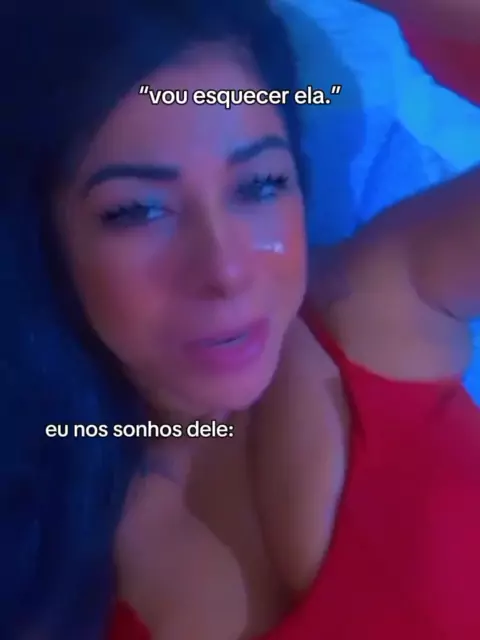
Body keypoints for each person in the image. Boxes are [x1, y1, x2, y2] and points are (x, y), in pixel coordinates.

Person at [1, 2, 480, 640]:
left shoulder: (384, 302)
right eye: (139, 211)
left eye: (259, 185)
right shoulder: (35, 542)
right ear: (43, 239)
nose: (225, 270)